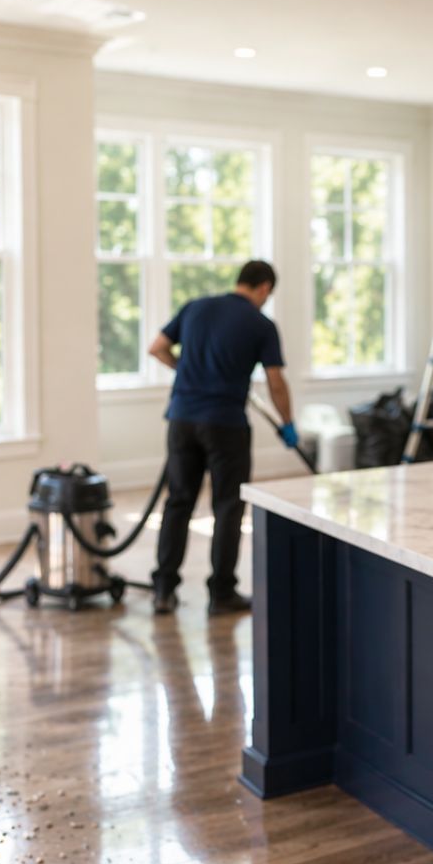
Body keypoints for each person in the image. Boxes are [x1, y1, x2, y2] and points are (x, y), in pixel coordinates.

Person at [148, 259, 297, 617]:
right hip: (226, 424)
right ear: (264, 288)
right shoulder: (261, 324)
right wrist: (288, 422)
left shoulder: (195, 308)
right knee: (228, 506)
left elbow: (157, 348)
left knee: (178, 502)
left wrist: (185, 370)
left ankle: (164, 590)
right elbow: (275, 381)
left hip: (182, 419)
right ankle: (222, 593)